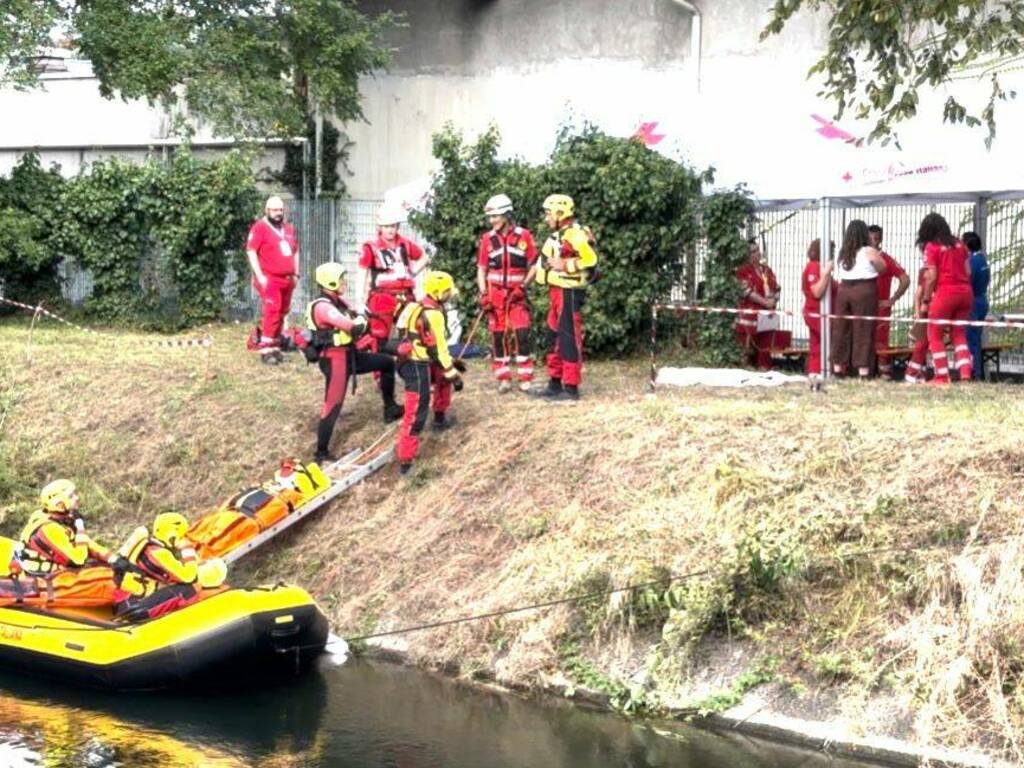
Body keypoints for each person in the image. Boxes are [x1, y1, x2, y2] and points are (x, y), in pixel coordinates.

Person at [306, 263, 404, 463]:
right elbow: (354, 328)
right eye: (341, 278)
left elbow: (358, 322)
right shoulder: (323, 306)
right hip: (335, 359)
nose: (344, 282)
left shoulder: (337, 301)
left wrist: (364, 314)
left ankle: (390, 408)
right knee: (333, 405)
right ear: (331, 281)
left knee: (386, 363)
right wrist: (362, 314)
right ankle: (321, 454)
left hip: (348, 354)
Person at [394, 271, 465, 475]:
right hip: (417, 365)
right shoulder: (433, 315)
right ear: (438, 292)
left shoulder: (412, 306)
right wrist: (455, 376)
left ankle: (440, 417)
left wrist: (448, 367)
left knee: (441, 377)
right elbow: (440, 351)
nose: (450, 295)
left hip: (406, 361)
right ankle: (406, 462)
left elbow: (405, 334)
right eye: (448, 292)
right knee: (415, 413)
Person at [535, 194, 598, 401]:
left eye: (547, 214)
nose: (546, 219)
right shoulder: (556, 236)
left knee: (569, 338)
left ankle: (570, 388)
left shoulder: (575, 234)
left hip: (568, 292)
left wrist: (566, 265)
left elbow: (590, 259)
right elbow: (542, 261)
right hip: (555, 291)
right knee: (552, 337)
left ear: (559, 213)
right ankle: (554, 383)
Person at [477, 194, 539, 393]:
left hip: (517, 295)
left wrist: (523, 286)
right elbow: (481, 270)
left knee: (522, 333)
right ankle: (503, 377)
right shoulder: (487, 239)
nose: (492, 220)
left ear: (506, 215)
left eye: (495, 216)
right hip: (495, 295)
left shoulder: (524, 236)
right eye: (490, 217)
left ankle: (525, 377)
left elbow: (535, 266)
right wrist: (484, 294)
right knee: (498, 336)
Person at [113, 512, 227, 621]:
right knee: (187, 590)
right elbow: (189, 577)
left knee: (180, 586)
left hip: (128, 602)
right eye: (180, 536)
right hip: (134, 608)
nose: (181, 539)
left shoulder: (148, 548)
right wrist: (187, 548)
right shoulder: (159, 553)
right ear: (172, 534)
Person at [359, 204, 428, 353]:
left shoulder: (405, 243)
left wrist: (413, 272)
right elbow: (362, 273)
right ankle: (380, 370)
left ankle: (410, 366)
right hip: (382, 296)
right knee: (379, 336)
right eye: (386, 226)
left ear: (398, 226)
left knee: (415, 329)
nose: (390, 229)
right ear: (380, 227)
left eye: (393, 226)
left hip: (406, 295)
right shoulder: (371, 246)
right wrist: (360, 301)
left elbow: (424, 256)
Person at [16, 479, 116, 576]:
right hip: (45, 579)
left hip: (53, 569)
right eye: (71, 496)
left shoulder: (60, 518)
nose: (77, 498)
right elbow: (78, 560)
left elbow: (85, 544)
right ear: (60, 505)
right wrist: (80, 529)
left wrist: (112, 558)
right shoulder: (49, 529)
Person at [919, 213, 973, 384]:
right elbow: (969, 272)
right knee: (958, 333)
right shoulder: (959, 243)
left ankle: (941, 376)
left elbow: (932, 276)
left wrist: (926, 300)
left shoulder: (931, 246)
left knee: (934, 334)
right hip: (965, 292)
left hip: (945, 293)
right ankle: (965, 373)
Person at [246, 195, 300, 365]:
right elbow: (251, 250)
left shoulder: (289, 228)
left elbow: (296, 251)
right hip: (270, 278)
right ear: (267, 210)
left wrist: (296, 274)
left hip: (287, 278)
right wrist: (260, 276)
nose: (278, 213)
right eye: (275, 210)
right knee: (272, 310)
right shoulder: (259, 228)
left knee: (282, 311)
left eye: (281, 210)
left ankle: (275, 344)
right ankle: (266, 348)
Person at [831, 220, 887, 378]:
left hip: (844, 290)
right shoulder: (869, 250)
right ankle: (862, 371)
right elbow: (882, 267)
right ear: (865, 234)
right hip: (865, 290)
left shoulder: (843, 252)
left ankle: (838, 367)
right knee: (863, 329)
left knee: (841, 329)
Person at [868, 225, 911, 379]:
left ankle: (884, 373)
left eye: (876, 238)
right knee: (863, 339)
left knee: (880, 342)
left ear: (881, 239)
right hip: (862, 307)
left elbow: (905, 280)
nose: (873, 241)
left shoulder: (885, 259)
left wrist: (892, 300)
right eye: (871, 238)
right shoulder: (859, 257)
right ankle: (866, 372)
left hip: (880, 307)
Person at [735, 239, 781, 371]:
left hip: (767, 313)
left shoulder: (766, 270)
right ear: (747, 255)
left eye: (757, 250)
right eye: (753, 252)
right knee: (747, 346)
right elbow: (747, 292)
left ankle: (764, 367)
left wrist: (774, 300)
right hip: (751, 313)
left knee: (766, 345)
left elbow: (777, 288)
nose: (757, 254)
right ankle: (746, 368)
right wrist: (765, 302)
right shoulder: (742, 271)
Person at [801, 239, 834, 380]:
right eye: (831, 251)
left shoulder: (817, 267)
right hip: (815, 312)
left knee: (817, 344)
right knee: (827, 340)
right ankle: (824, 370)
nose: (832, 255)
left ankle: (814, 372)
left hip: (818, 313)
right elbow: (817, 291)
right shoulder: (813, 266)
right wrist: (826, 273)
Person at [962, 231, 990, 379]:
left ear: (967, 245)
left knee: (970, 339)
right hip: (982, 301)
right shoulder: (983, 260)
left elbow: (967, 281)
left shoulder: (972, 262)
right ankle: (977, 371)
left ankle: (973, 372)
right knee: (976, 339)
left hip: (973, 302)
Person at [903, 255, 931, 385]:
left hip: (936, 308)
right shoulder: (923, 271)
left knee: (927, 342)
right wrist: (917, 311)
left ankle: (918, 373)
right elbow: (918, 293)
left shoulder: (938, 269)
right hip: (927, 310)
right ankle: (914, 373)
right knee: (922, 342)